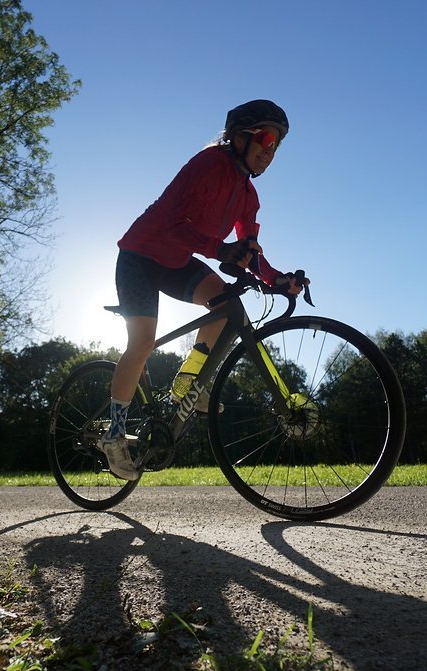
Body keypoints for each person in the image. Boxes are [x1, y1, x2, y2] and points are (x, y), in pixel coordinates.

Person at [100, 99, 307, 481]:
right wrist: (219, 249)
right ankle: (113, 434)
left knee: (227, 303)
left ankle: (186, 382)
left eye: (276, 144)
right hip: (140, 257)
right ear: (239, 137)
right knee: (143, 341)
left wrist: (277, 280)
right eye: (264, 138)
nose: (269, 150)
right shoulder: (208, 164)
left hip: (176, 262)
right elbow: (173, 226)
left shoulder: (249, 196)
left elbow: (250, 251)